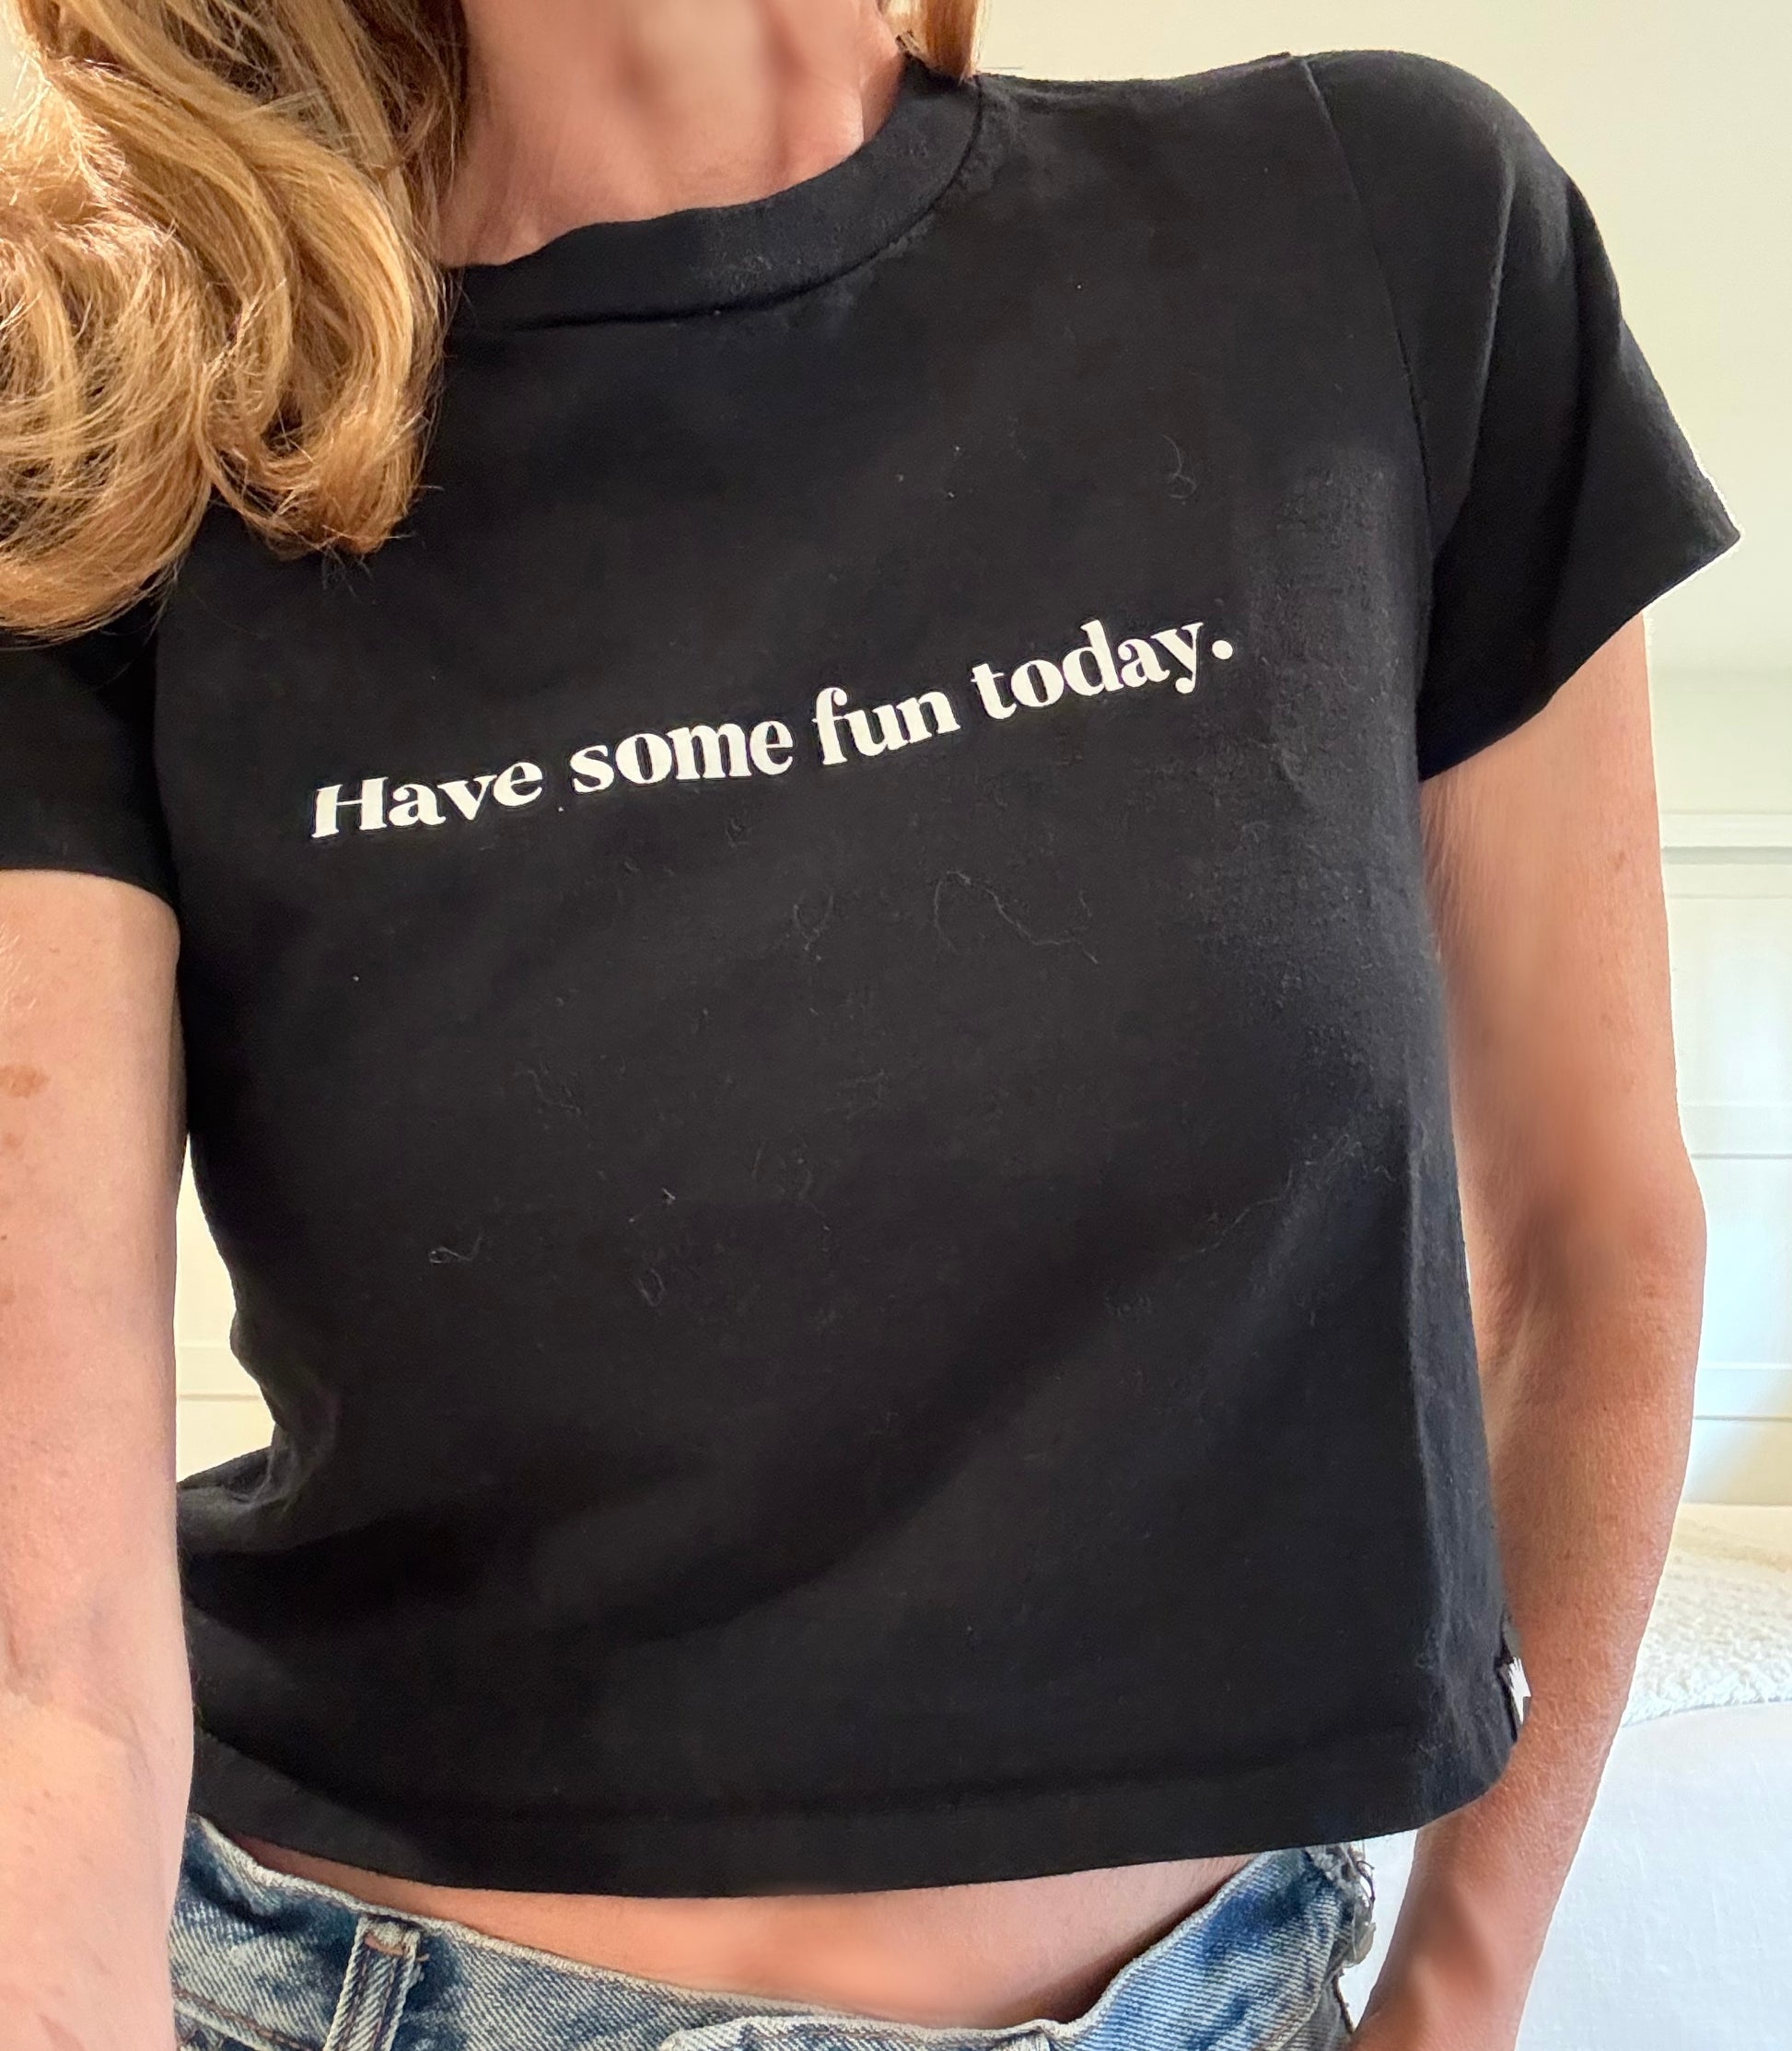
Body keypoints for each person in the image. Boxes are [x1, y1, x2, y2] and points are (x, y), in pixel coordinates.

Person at [0, 0, 1740, 2047]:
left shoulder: (1381, 229)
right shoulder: (110, 411)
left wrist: (1459, 1983)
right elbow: (51, 1655)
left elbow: (1589, 1240)